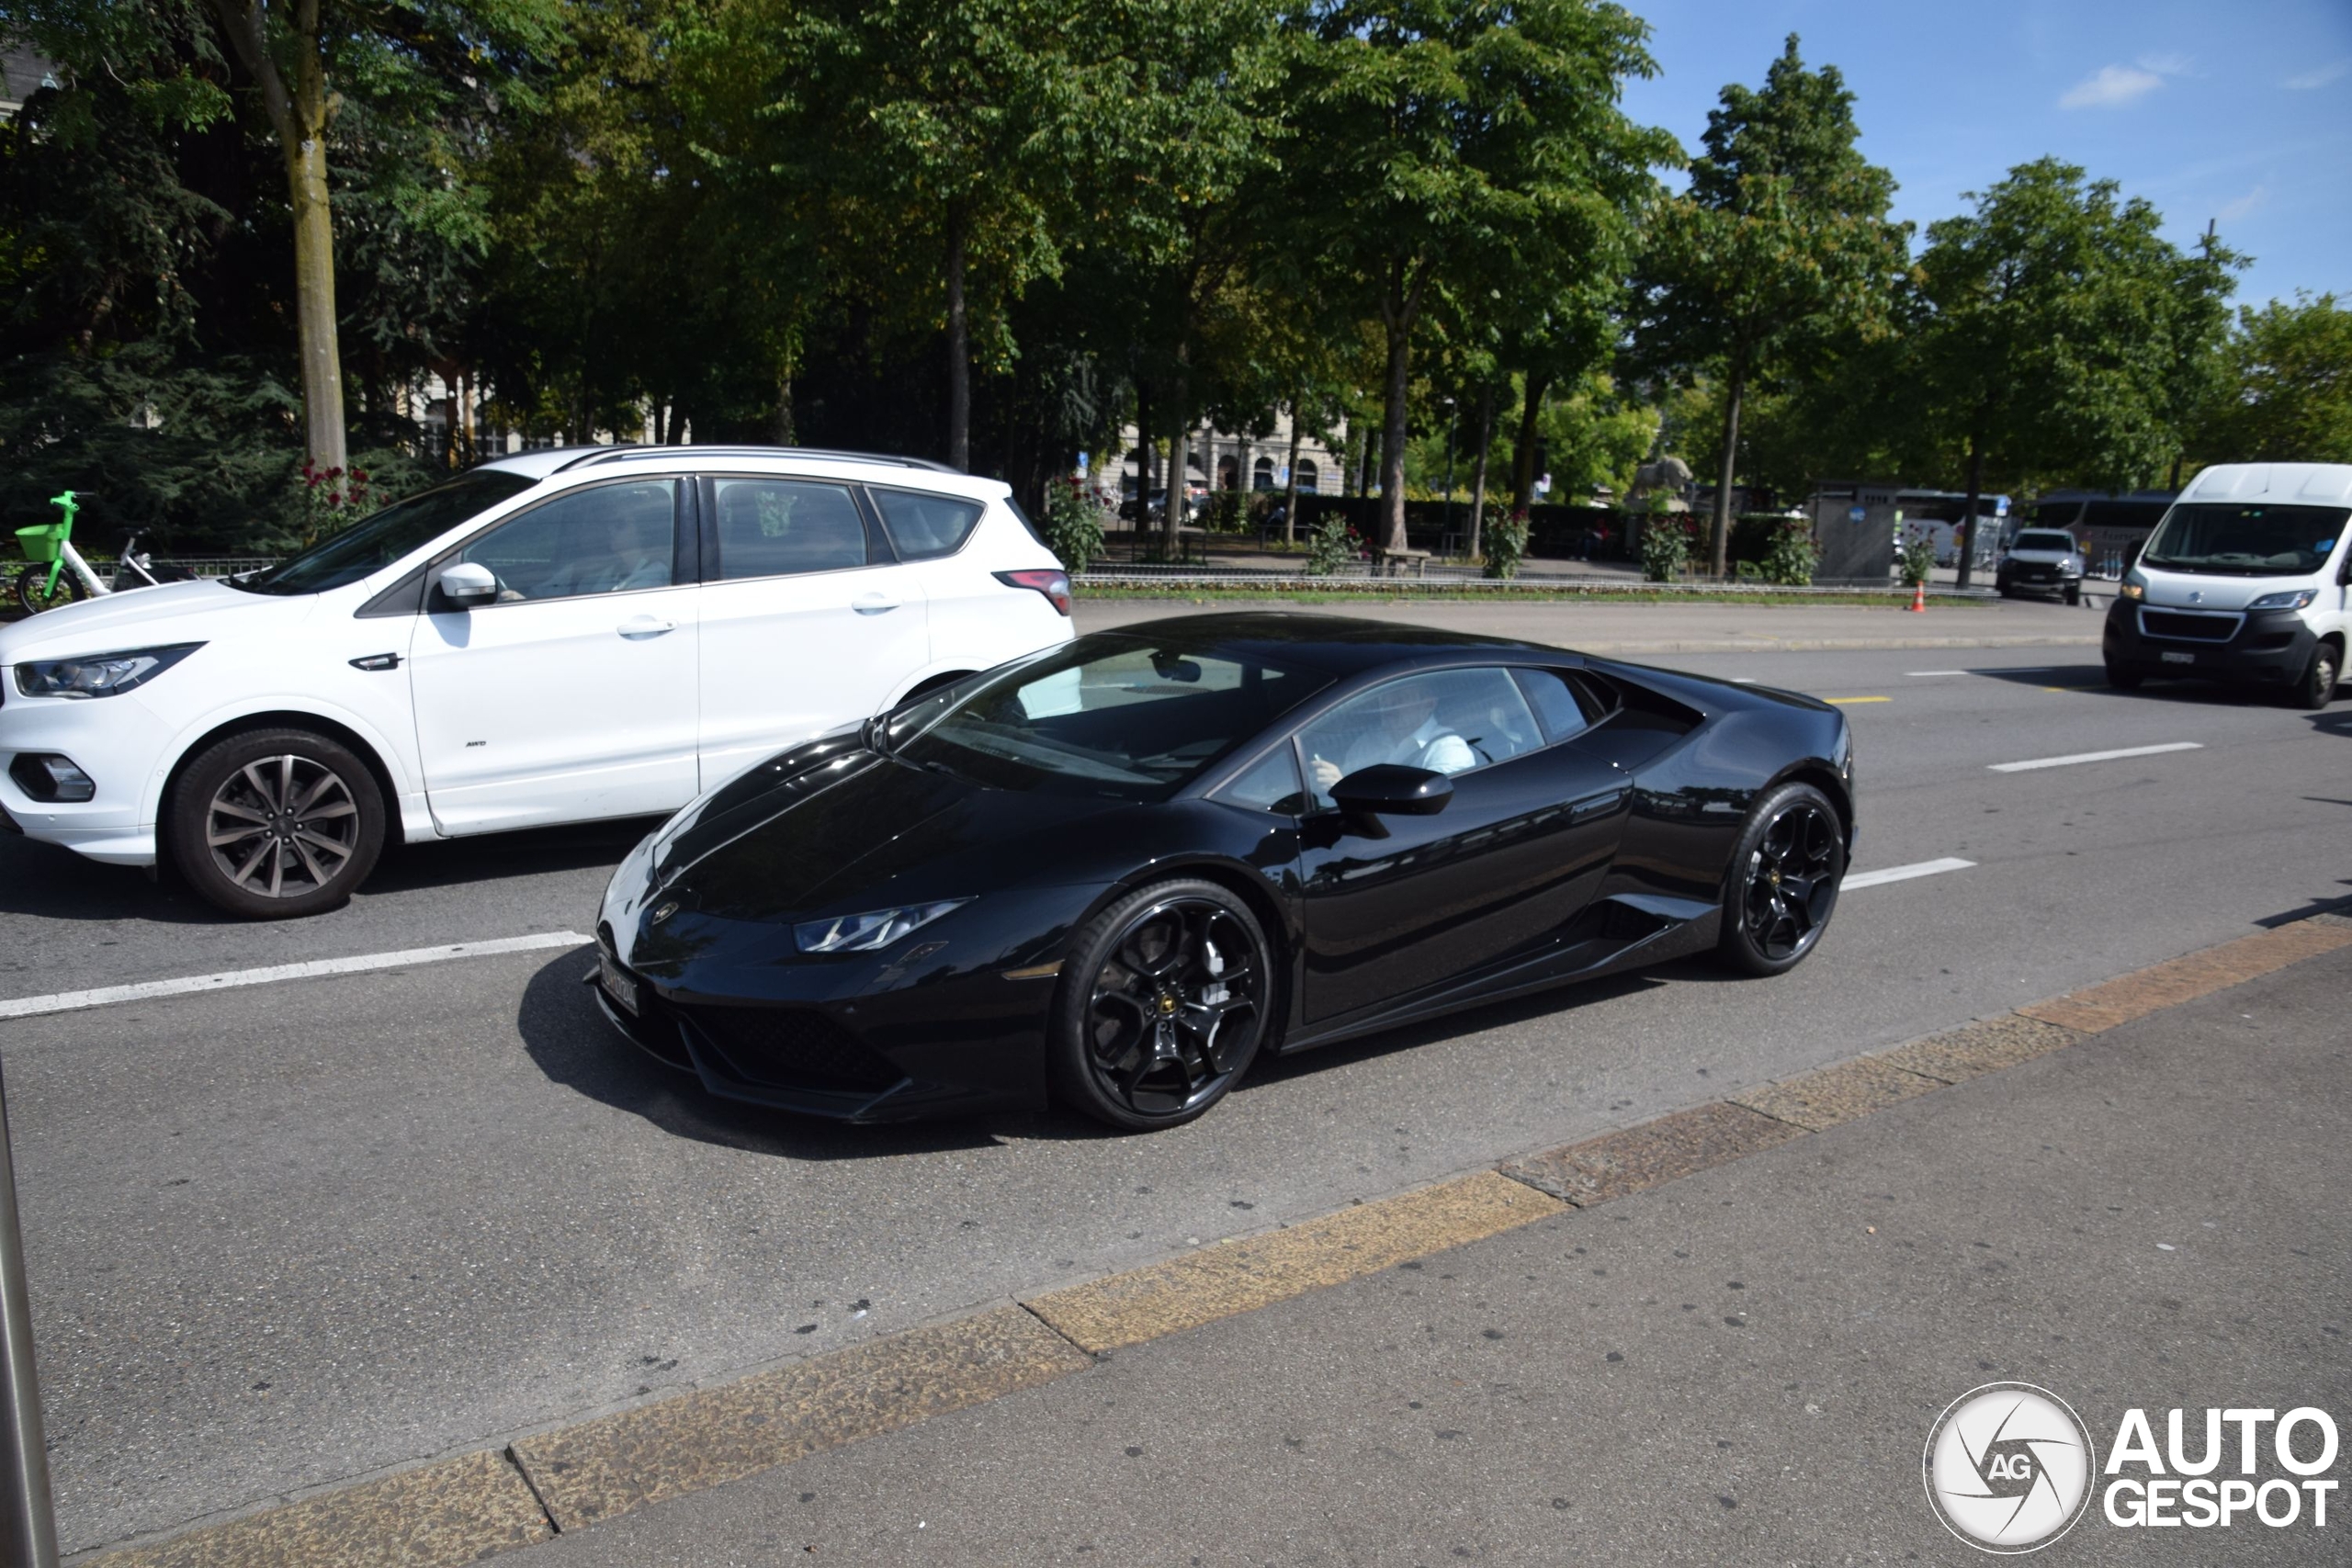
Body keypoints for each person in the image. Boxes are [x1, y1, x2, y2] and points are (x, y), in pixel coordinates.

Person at [1305, 679, 1476, 794]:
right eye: (1385, 697)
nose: (1388, 705)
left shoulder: (1449, 750)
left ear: (1429, 704)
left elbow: (1432, 807)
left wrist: (1342, 786)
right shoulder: (1368, 742)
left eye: (1400, 698)